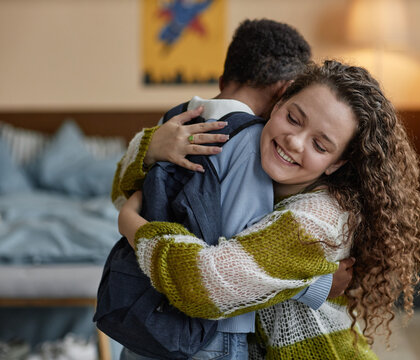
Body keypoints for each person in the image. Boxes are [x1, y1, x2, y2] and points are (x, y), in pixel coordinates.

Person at [119, 60, 420, 359]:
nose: (295, 141)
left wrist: (132, 224)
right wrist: (151, 147)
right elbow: (118, 187)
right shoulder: (244, 160)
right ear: (279, 103)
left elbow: (205, 283)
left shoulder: (319, 220)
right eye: (294, 119)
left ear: (336, 163)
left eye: (320, 146)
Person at [109, 19, 352, 360]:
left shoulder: (176, 120)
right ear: (284, 92)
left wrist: (147, 149)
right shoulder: (250, 140)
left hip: (149, 310)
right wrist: (315, 283)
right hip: (216, 329)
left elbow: (120, 187)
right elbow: (243, 252)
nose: (294, 140)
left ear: (223, 80)